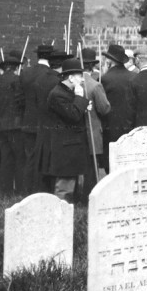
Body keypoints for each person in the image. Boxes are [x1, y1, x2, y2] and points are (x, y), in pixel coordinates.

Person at [42, 58, 91, 202]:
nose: (82, 79)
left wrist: (83, 105)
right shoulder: (57, 94)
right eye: (79, 76)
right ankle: (60, 216)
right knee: (64, 187)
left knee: (72, 186)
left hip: (72, 145)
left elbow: (74, 110)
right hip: (65, 148)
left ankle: (71, 215)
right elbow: (74, 115)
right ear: (70, 78)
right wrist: (80, 97)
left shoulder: (66, 92)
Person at [0, 55, 25, 197]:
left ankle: (4, 191)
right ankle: (20, 190)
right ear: (15, 67)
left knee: (6, 158)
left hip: (1, 126)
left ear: (5, 67)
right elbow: (21, 101)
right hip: (16, 126)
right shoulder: (18, 80)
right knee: (20, 159)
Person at [34, 50, 72, 192]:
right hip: (58, 127)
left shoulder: (40, 79)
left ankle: (43, 191)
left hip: (43, 125)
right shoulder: (60, 82)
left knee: (45, 162)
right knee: (56, 163)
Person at [21, 44, 54, 193]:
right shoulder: (51, 75)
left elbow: (20, 98)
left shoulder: (25, 73)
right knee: (43, 157)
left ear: (37, 56)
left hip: (28, 121)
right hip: (45, 123)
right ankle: (40, 190)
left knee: (29, 157)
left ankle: (27, 189)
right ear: (50, 57)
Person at [81, 47, 111, 197]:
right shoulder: (95, 85)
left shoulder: (71, 82)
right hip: (92, 131)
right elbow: (104, 108)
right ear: (92, 65)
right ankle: (89, 197)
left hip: (76, 132)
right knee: (91, 170)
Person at [101, 44, 136, 172]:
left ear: (110, 60)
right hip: (130, 125)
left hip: (111, 126)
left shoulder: (105, 79)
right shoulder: (133, 77)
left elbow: (102, 105)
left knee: (112, 166)